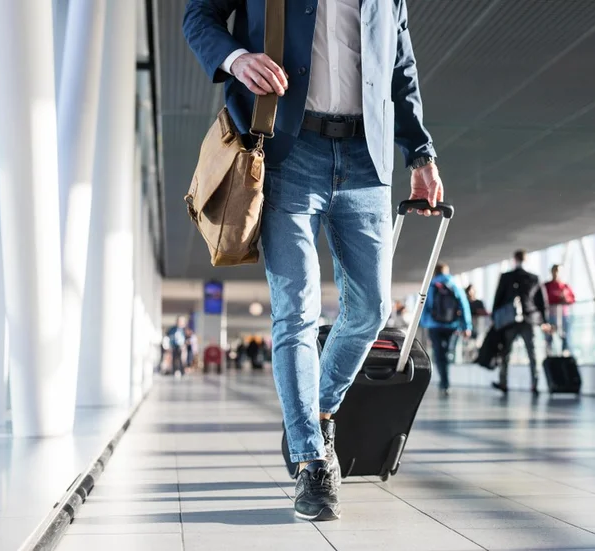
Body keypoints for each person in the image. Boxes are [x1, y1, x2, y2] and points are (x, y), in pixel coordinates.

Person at [184, 0, 443, 521]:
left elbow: (401, 66)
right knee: (295, 311)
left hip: (366, 160)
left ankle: (320, 410)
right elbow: (199, 15)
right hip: (287, 151)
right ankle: (311, 462)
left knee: (369, 309)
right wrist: (235, 58)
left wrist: (421, 152)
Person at [491, 250, 551, 395]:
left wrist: (495, 318)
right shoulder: (533, 278)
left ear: (514, 260)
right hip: (530, 319)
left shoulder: (506, 277)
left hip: (509, 321)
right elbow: (542, 302)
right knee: (533, 353)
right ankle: (534, 384)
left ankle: (503, 382)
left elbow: (498, 299)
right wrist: (544, 321)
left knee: (506, 353)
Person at [421, 263, 472, 397]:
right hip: (452, 325)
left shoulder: (430, 285)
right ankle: (446, 374)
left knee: (439, 354)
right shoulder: (454, 285)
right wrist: (467, 326)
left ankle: (445, 382)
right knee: (449, 352)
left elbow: (424, 306)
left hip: (434, 326)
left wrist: (425, 323)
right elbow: (464, 305)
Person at [543, 264, 575, 355]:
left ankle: (564, 353)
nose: (556, 273)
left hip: (563, 315)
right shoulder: (546, 286)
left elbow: (572, 299)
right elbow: (542, 300)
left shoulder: (565, 286)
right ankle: (549, 355)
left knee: (565, 335)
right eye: (555, 270)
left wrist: (565, 299)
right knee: (549, 336)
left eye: (558, 271)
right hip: (550, 315)